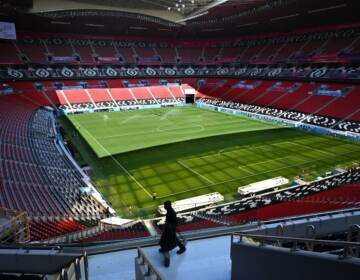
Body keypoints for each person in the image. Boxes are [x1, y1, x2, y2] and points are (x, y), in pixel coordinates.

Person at [159, 200, 186, 267]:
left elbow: (174, 222)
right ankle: (165, 248)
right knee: (169, 238)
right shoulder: (169, 211)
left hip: (170, 228)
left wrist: (168, 226)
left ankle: (182, 248)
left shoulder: (171, 212)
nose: (164, 207)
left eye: (165, 205)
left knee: (171, 238)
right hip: (169, 228)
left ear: (168, 205)